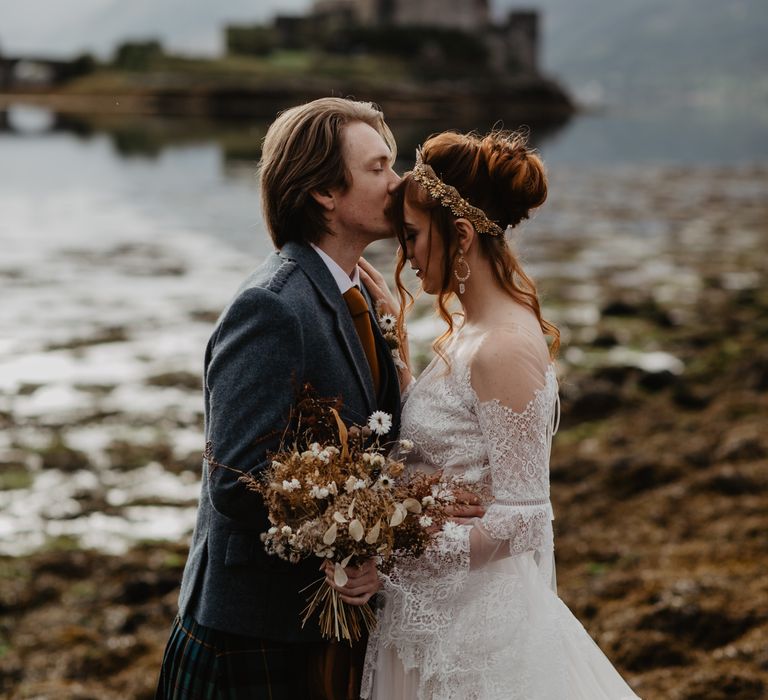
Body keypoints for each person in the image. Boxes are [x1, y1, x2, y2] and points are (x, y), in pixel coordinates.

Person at [359, 130, 641, 699]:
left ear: (460, 235)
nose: (405, 256)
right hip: (432, 614)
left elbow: (526, 515)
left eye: (412, 236)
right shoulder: (470, 332)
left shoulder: (504, 347)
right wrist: (396, 350)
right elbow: (450, 434)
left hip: (475, 637)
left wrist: (399, 539)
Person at [155, 97, 404, 699]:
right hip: (248, 632)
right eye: (378, 169)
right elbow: (238, 478)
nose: (399, 185)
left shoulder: (363, 296)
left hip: (311, 631)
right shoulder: (271, 305)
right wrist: (349, 539)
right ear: (324, 191)